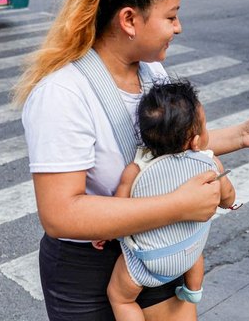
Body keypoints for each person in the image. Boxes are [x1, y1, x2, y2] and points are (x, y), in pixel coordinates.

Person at [14, 0, 249, 321]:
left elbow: (171, 147)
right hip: (90, 271)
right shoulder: (63, 93)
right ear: (129, 19)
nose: (178, 28)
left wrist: (241, 137)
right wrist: (177, 205)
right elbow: (60, 214)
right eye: (171, 16)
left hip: (159, 245)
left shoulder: (152, 72)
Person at [95, 79, 237, 320]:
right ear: (195, 140)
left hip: (149, 262)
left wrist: (105, 231)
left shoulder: (136, 169)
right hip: (188, 253)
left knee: (120, 296)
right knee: (195, 244)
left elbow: (118, 209)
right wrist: (227, 198)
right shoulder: (210, 164)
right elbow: (227, 199)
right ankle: (193, 290)